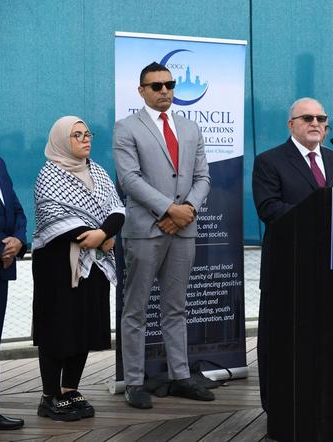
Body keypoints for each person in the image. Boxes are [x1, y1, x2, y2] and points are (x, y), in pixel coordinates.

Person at [113, 62, 212, 409]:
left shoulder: (190, 127)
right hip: (144, 231)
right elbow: (129, 179)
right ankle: (134, 383)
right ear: (141, 91)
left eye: (169, 84)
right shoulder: (126, 128)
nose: (165, 91)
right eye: (156, 86)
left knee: (176, 308)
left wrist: (189, 211)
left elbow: (203, 178)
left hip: (184, 230)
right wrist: (170, 210)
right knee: (135, 310)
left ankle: (180, 376)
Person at [252, 97, 333, 411]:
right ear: (291, 125)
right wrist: (318, 216)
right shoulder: (270, 161)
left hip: (332, 268)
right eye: (307, 118)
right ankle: (279, 404)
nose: (316, 124)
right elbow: (269, 209)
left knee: (327, 339)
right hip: (288, 269)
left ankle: (327, 398)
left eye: (321, 118)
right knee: (282, 341)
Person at [32, 116, 125, 421]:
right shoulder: (49, 175)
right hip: (57, 266)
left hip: (93, 265)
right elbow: (52, 216)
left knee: (83, 326)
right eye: (77, 135)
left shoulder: (96, 171)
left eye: (87, 134)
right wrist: (100, 236)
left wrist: (104, 233)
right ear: (61, 140)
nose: (85, 139)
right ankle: (49, 397)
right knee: (57, 327)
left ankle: (70, 390)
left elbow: (116, 208)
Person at [0, 154, 26, 430]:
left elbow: (16, 209)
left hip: (0, 270)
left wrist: (19, 240)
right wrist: (2, 247)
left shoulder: (0, 162)